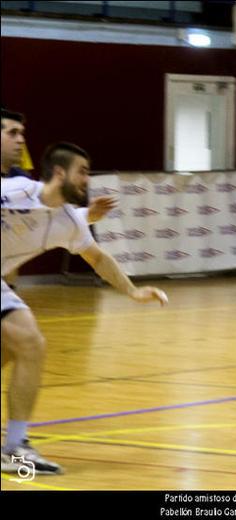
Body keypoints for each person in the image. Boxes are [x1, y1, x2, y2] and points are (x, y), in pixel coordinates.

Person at [1, 142, 168, 476]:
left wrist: (133, 291)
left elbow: (98, 259)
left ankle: (14, 448)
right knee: (25, 340)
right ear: (59, 172)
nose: (87, 181)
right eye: (83, 172)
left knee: (26, 344)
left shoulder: (67, 221)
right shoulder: (15, 190)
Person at [0, 109, 116, 289]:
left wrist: (87, 215)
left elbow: (40, 214)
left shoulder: (18, 177)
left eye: (22, 133)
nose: (21, 140)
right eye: (13, 133)